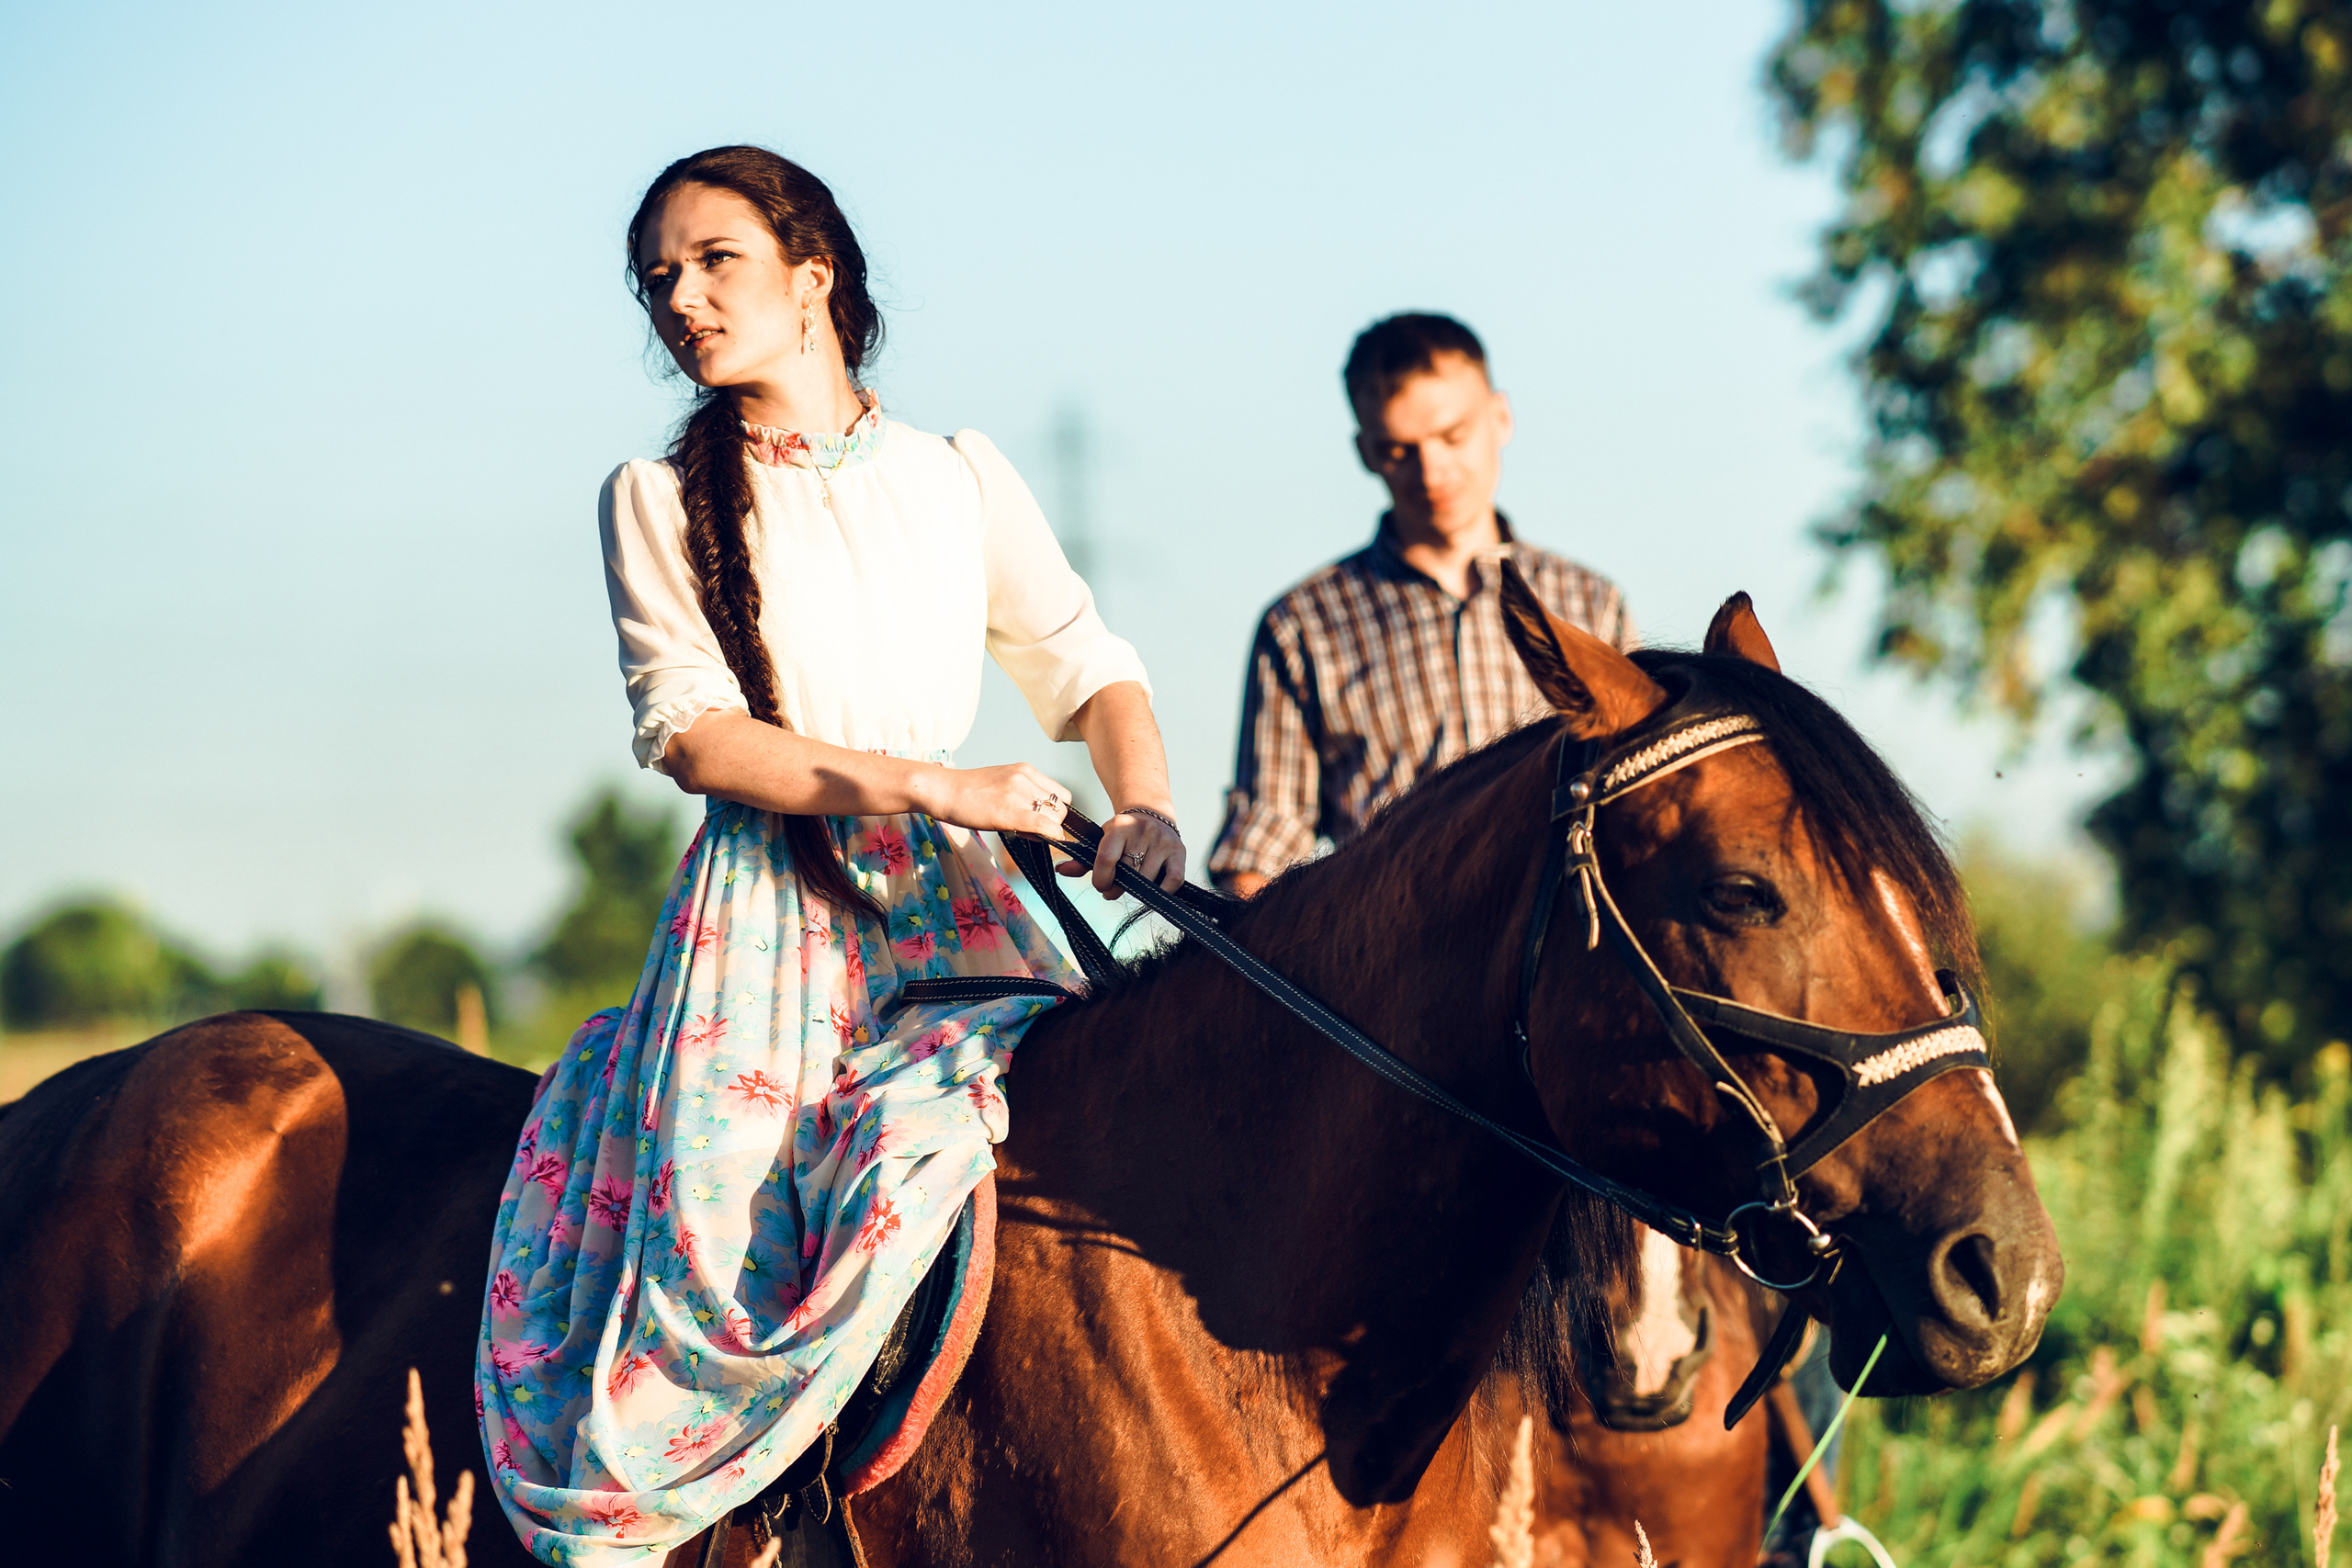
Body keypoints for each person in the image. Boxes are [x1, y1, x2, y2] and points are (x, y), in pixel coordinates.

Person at [475, 145, 1184, 1566]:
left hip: (967, 902)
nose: (680, 296)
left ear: (814, 275)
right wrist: (934, 781)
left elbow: (1084, 661)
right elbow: (691, 733)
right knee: (733, 1235)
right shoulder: (655, 495)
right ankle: (745, 1525)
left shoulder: (956, 474)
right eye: (659, 276)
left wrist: (1146, 800)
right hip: (774, 912)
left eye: (713, 258)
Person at [1208, 312, 1634, 895]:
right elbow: (1262, 844)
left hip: (1559, 948)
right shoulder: (1304, 625)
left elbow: (1637, 787)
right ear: (1365, 452)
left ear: (1500, 417)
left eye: (1453, 436)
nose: (1431, 470)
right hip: (1393, 962)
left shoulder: (1588, 604)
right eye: (1398, 450)